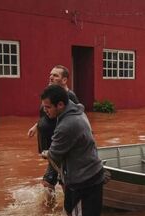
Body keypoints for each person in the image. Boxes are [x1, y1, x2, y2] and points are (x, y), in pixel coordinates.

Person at [40, 84, 104, 216]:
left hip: (84, 183)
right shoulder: (77, 110)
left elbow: (54, 155)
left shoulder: (67, 125)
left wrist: (47, 153)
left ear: (60, 105)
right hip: (84, 175)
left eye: (48, 107)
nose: (45, 110)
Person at [27, 65, 79, 191]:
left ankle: (58, 206)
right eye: (50, 74)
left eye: (55, 75)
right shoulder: (50, 93)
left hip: (59, 143)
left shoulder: (69, 96)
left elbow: (77, 118)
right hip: (51, 143)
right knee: (59, 173)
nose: (51, 77)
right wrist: (36, 126)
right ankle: (59, 204)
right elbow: (46, 114)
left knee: (51, 180)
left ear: (65, 80)